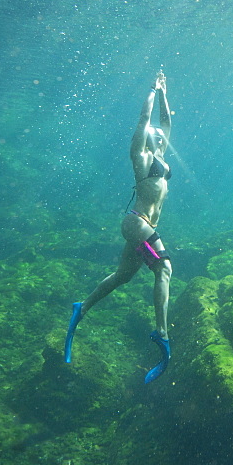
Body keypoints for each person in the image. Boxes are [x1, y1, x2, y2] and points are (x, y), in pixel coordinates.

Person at [63, 71, 174, 383]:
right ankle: (162, 335)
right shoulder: (141, 156)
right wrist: (151, 92)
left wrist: (165, 94)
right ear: (148, 140)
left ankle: (81, 308)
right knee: (164, 269)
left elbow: (167, 123)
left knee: (123, 276)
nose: (161, 135)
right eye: (156, 135)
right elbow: (145, 120)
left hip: (144, 225)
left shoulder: (162, 155)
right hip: (136, 223)